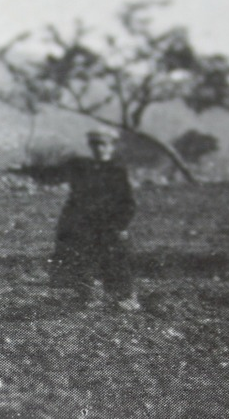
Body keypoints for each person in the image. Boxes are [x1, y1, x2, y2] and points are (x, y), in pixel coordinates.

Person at [15, 127, 140, 311]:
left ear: (111, 147)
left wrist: (121, 225)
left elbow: (127, 202)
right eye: (95, 144)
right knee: (77, 257)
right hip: (79, 219)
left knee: (115, 258)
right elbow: (52, 175)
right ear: (90, 146)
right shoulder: (80, 165)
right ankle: (85, 296)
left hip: (107, 221)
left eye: (104, 144)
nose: (99, 148)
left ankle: (125, 298)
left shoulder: (117, 171)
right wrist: (27, 171)